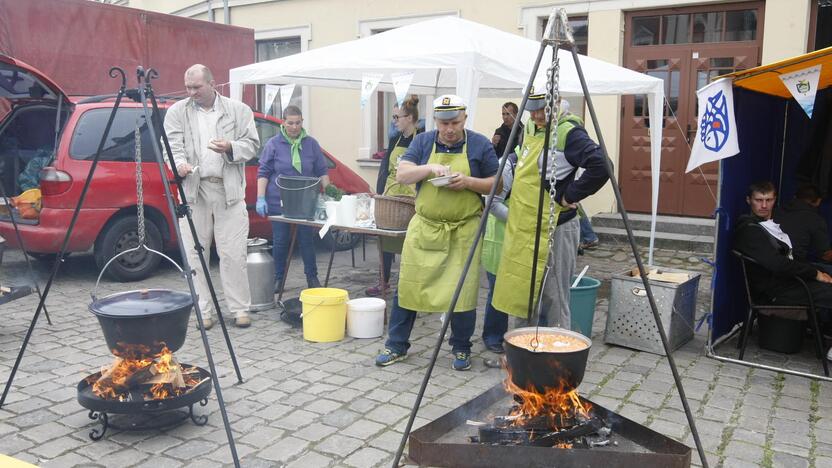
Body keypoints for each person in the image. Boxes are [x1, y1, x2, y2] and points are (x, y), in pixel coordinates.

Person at [375, 94, 499, 371]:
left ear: (464, 119)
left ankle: (461, 348)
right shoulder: (422, 141)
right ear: (435, 122)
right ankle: (396, 344)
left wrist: (467, 182)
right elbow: (403, 174)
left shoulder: (479, 144)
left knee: (463, 291)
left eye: (454, 122)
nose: (449, 129)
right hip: (425, 229)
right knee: (408, 286)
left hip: (463, 230)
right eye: (444, 123)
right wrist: (429, 168)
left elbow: (496, 184)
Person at [492, 89, 608, 328]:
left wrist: (571, 194)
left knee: (554, 297)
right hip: (526, 226)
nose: (535, 116)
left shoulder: (568, 132)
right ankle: (518, 356)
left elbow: (602, 165)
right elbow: (525, 159)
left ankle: (556, 357)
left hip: (556, 227)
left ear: (556, 102)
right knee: (522, 292)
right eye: (531, 110)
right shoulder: (531, 128)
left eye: (541, 109)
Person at [164, 64, 259, 329]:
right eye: (188, 87)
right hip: (194, 190)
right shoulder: (176, 112)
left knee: (233, 253)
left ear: (212, 84)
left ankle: (240, 309)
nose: (191, 92)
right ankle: (203, 311)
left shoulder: (238, 110)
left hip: (228, 189)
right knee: (196, 254)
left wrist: (231, 147)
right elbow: (171, 146)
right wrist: (178, 164)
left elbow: (252, 145)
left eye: (197, 87)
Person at [256, 105, 329, 291]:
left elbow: (322, 171)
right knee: (280, 240)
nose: (294, 127)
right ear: (283, 122)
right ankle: (278, 279)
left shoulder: (311, 143)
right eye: (290, 123)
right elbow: (263, 172)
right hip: (278, 200)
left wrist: (329, 194)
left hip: (306, 201)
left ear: (302, 122)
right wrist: (260, 198)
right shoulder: (273, 143)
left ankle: (312, 278)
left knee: (306, 240)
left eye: (298, 123)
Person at [734, 181, 832, 310]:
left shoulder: (769, 223)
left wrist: (816, 271)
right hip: (777, 290)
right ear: (749, 200)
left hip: (790, 280)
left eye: (768, 200)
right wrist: (815, 274)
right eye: (758, 200)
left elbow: (788, 258)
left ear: (774, 200)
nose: (764, 205)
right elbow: (777, 263)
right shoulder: (749, 230)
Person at [367, 95, 421, 296]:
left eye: (397, 117)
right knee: (385, 240)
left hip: (411, 197)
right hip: (391, 195)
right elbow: (384, 169)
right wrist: (379, 193)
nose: (394, 121)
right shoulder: (394, 139)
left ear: (409, 118)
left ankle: (409, 283)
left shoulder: (422, 138)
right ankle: (384, 280)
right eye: (393, 117)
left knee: (410, 243)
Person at [481, 153, 516, 368]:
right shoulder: (509, 166)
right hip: (501, 237)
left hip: (525, 237)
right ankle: (493, 336)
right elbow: (492, 203)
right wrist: (518, 220)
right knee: (498, 289)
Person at [775, 184, 832, 265]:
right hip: (794, 267)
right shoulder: (815, 219)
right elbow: (825, 256)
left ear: (795, 197)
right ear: (818, 201)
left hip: (771, 262)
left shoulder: (776, 211)